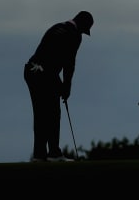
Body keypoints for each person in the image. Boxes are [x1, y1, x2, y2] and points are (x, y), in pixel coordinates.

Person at [23, 10, 94, 162]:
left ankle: (40, 155)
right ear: (81, 24)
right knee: (52, 113)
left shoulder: (58, 27)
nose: (83, 33)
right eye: (85, 29)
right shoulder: (74, 35)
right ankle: (53, 153)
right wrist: (66, 86)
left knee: (42, 113)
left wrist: (61, 85)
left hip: (32, 70)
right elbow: (69, 64)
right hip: (41, 73)